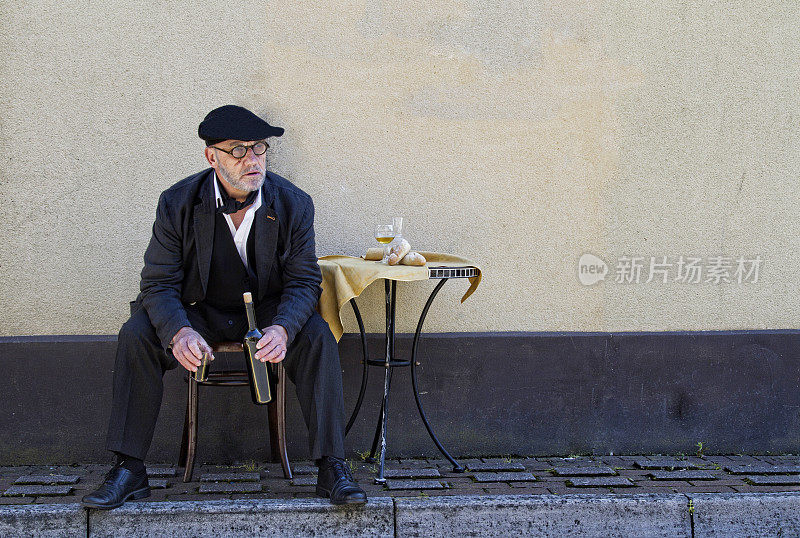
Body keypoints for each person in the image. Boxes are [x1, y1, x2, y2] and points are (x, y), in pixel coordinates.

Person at [82, 105, 366, 509]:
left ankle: (332, 467)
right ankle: (129, 469)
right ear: (211, 156)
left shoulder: (293, 204)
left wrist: (283, 329)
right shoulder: (177, 202)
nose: (252, 160)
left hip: (267, 313)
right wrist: (178, 331)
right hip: (199, 312)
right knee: (137, 334)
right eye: (238, 150)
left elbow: (304, 282)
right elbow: (158, 282)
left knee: (318, 336)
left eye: (259, 149)